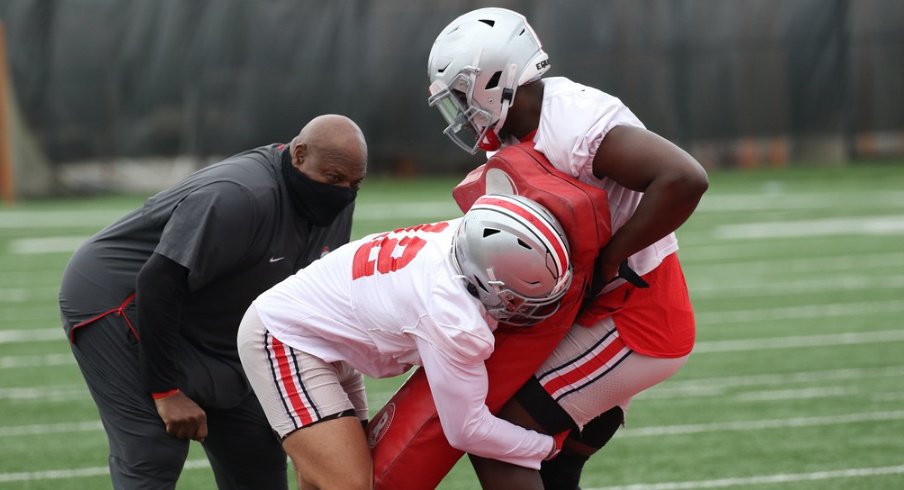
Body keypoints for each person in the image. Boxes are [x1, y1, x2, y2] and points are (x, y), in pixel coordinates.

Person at [425, 7, 710, 489]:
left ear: (494, 78)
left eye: (459, 94)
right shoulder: (511, 133)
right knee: (551, 465)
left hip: (635, 314)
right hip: (589, 314)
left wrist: (611, 257)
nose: (459, 109)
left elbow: (684, 179)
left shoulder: (575, 121)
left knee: (498, 433)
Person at [59, 114, 367, 489]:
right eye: (334, 178)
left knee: (258, 450)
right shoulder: (239, 196)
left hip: (211, 313)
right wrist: (166, 391)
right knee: (155, 449)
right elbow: (158, 283)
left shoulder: (336, 201)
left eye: (355, 183)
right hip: (120, 301)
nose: (344, 191)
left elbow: (307, 298)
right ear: (299, 155)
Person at [237, 193, 575, 490]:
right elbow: (466, 429)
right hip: (286, 335)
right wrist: (547, 446)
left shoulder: (470, 236)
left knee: (326, 476)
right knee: (350, 483)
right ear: (489, 282)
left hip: (328, 326)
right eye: (522, 300)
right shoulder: (454, 317)